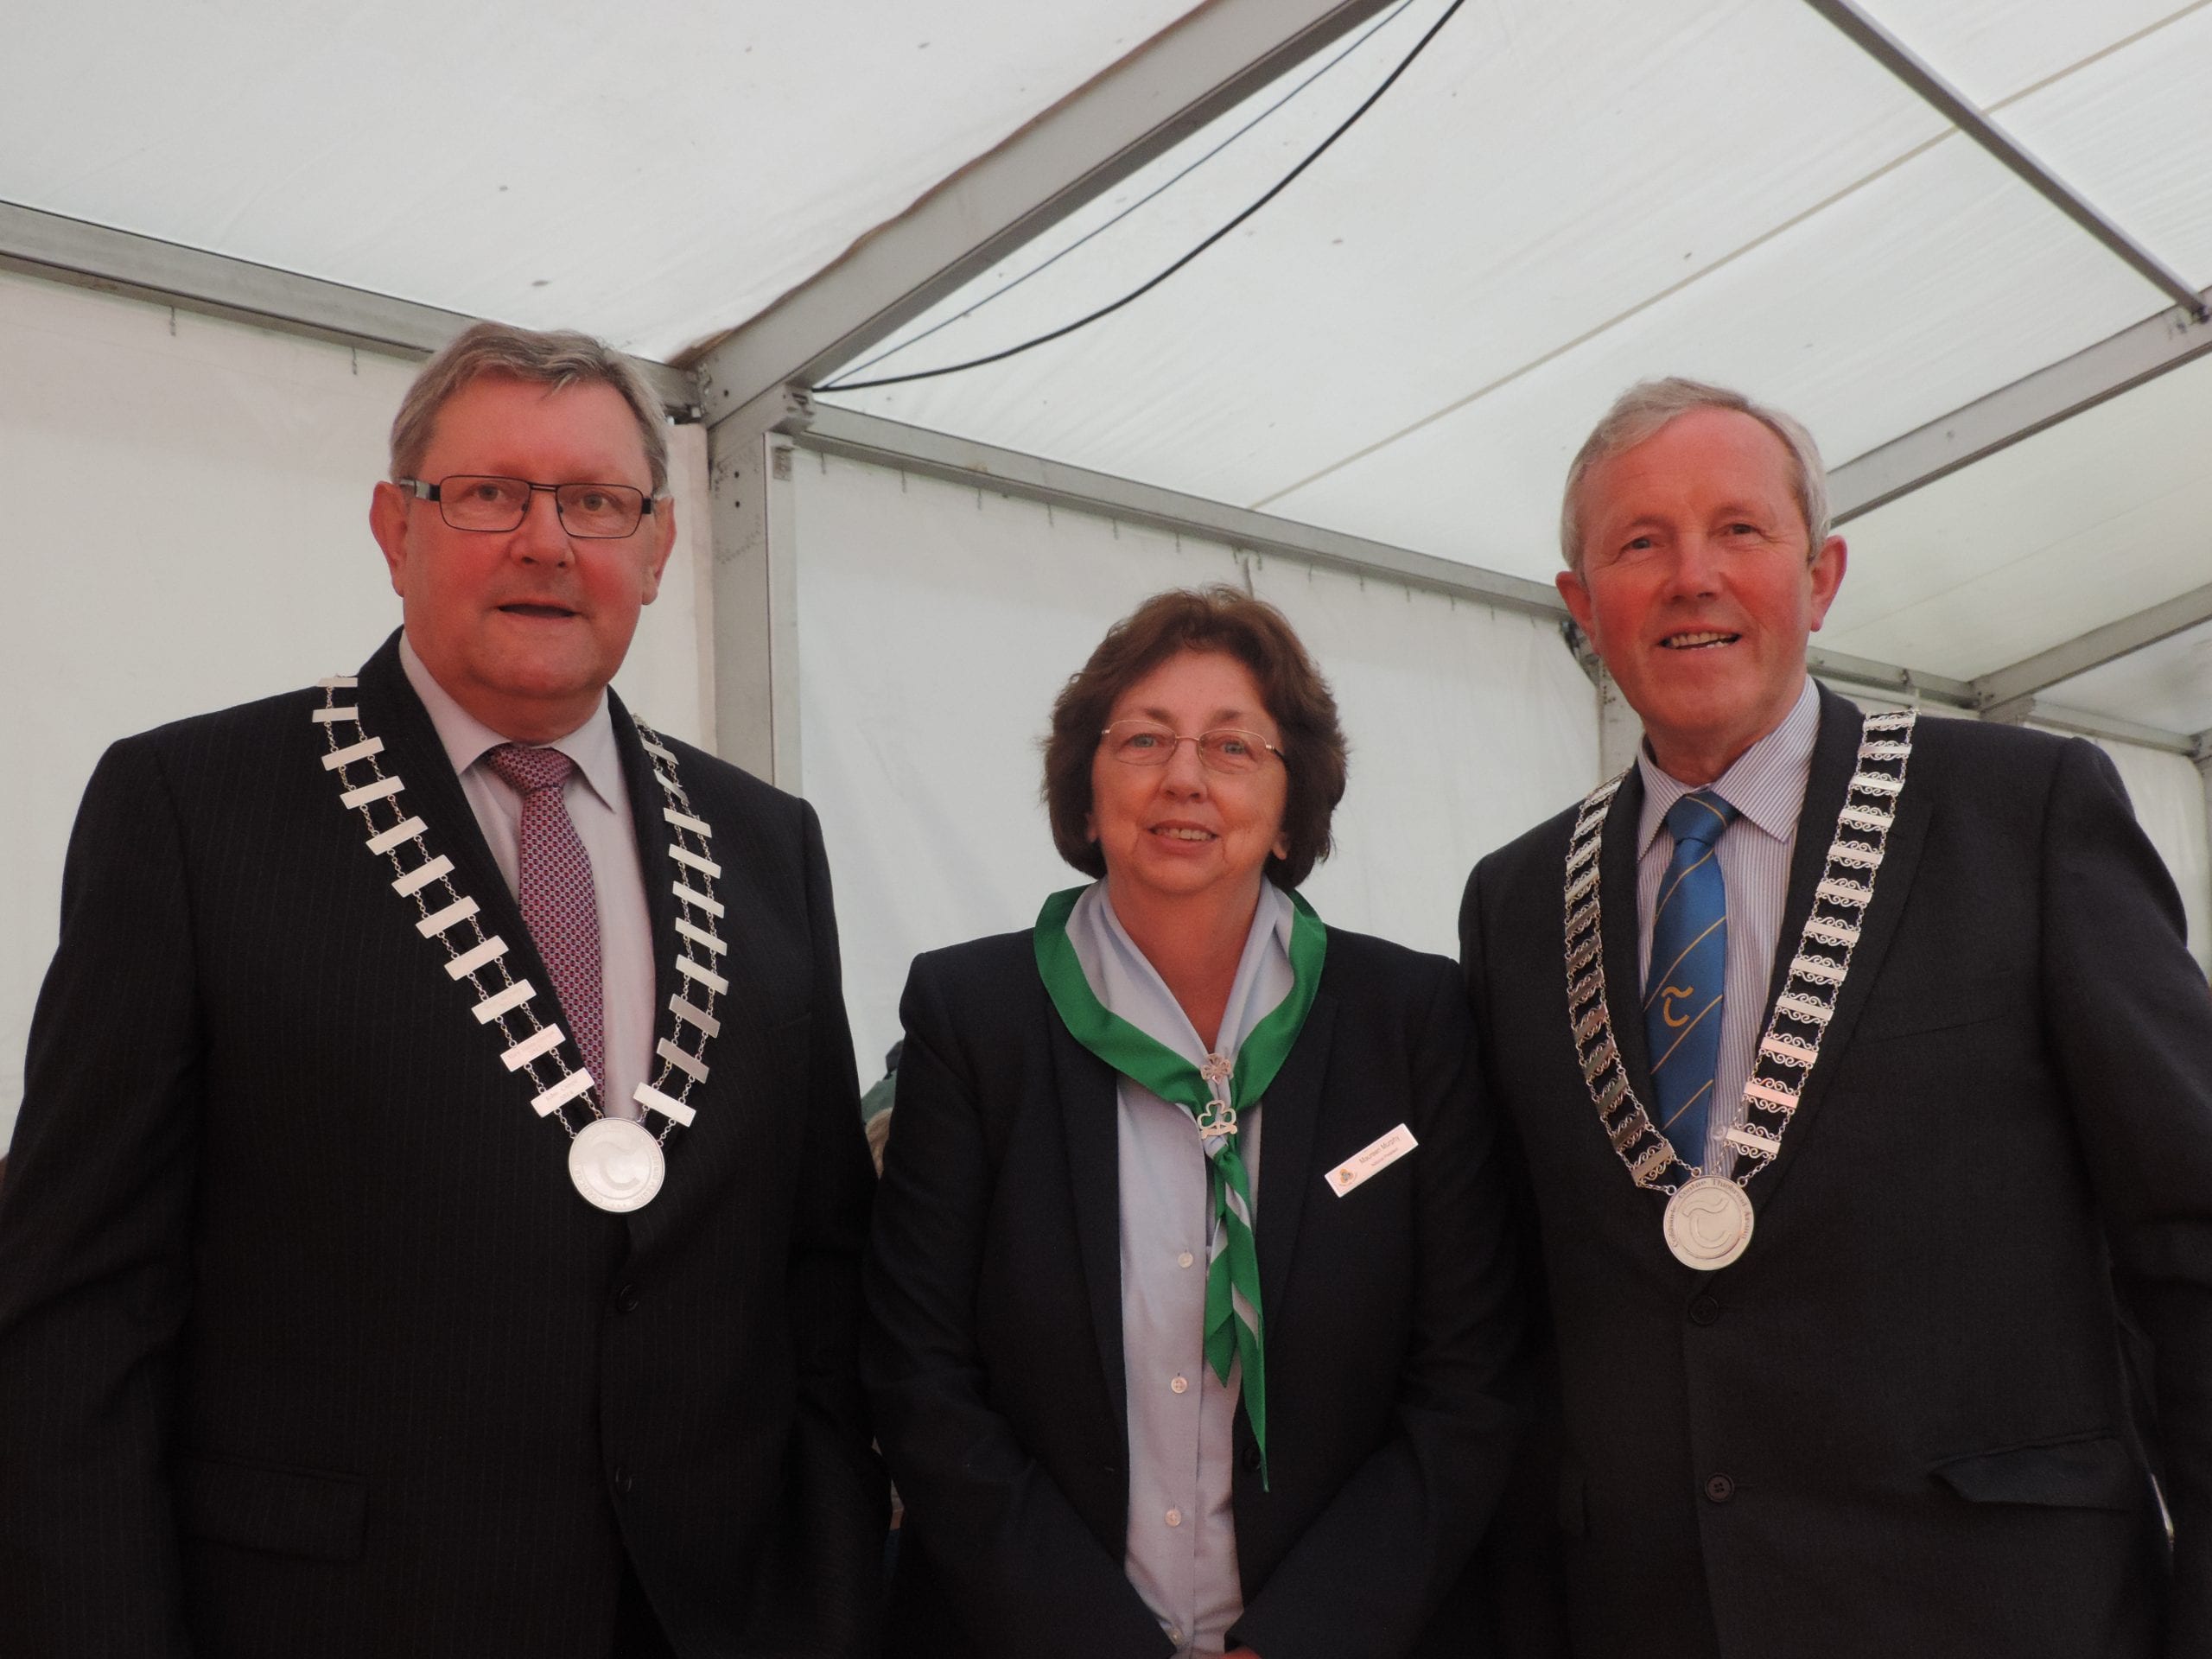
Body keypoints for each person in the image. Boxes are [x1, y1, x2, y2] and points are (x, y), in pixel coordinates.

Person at [0, 323, 884, 1657]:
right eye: (488, 495)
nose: (545, 541)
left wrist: (826, 1596)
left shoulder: (765, 843)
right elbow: (78, 1308)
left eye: (594, 502)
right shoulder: (195, 811)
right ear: (393, 528)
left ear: (656, 549)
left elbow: (817, 1267)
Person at [1459, 377, 2212, 1657]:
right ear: (1582, 607)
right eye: (1640, 544)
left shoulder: (2019, 811)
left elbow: (2190, 1234)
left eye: (1740, 532)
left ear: (1822, 577)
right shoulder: (1516, 899)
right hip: (1653, 1619)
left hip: (2003, 1611)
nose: (1693, 577)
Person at [866, 586, 1527, 1659]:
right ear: (1085, 797)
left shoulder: (1408, 1020)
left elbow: (1469, 1380)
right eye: (1143, 741)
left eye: (1232, 747)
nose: (1183, 777)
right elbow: (917, 1371)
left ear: (1290, 809)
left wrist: (1303, 1638)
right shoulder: (972, 1016)